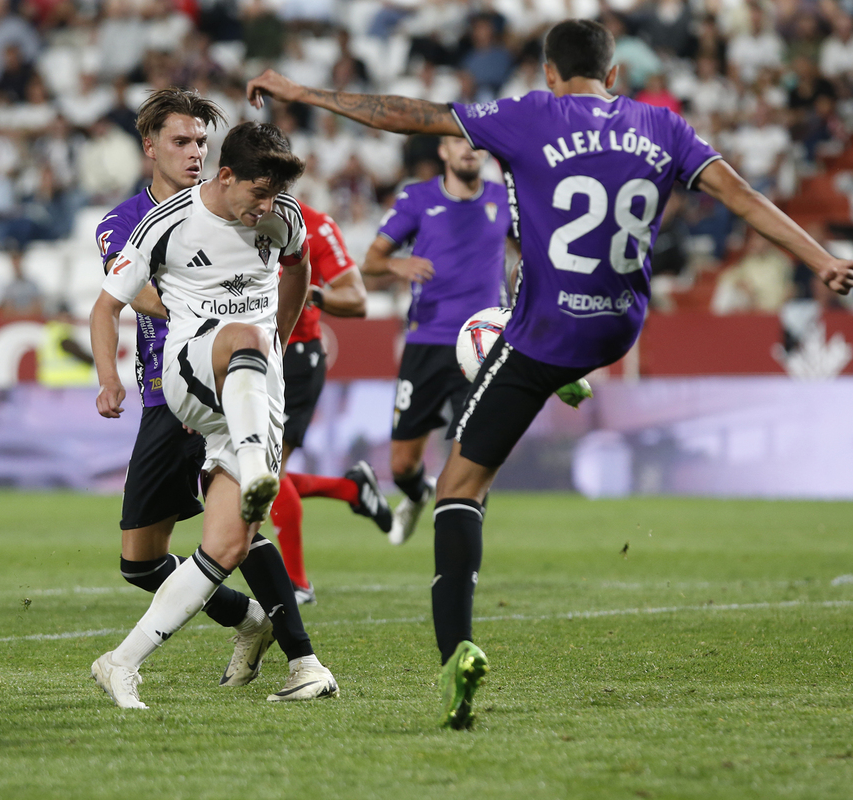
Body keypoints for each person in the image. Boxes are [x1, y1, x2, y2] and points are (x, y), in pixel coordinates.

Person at [246, 18, 853, 729]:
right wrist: (822, 261)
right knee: (516, 301)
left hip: (548, 332)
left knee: (457, 487)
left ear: (548, 74)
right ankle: (561, 369)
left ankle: (456, 658)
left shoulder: (531, 115)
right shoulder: (663, 125)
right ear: (615, 75)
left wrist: (300, 93)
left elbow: (407, 115)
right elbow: (742, 195)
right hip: (619, 326)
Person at [90, 121, 339, 709]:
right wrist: (109, 378)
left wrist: (277, 335)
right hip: (187, 369)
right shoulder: (165, 224)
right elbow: (106, 305)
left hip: (255, 390)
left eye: (275, 195)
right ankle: (257, 471)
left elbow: (299, 266)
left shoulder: (284, 217)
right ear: (226, 178)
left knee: (227, 546)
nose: (267, 208)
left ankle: (121, 662)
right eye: (258, 193)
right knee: (238, 335)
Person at [361, 136, 510, 546]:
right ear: (442, 151)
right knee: (402, 463)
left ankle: (462, 550)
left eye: (475, 143)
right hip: (426, 340)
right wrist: (396, 263)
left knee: (475, 456)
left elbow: (528, 253)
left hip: (483, 348)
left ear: (484, 151)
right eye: (457, 142)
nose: (468, 149)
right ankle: (418, 492)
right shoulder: (417, 198)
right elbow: (370, 263)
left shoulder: (503, 198)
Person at [271, 200, 391, 604]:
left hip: (296, 357)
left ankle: (298, 583)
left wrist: (308, 291)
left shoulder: (315, 226)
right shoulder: (227, 218)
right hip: (248, 354)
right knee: (242, 471)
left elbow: (356, 300)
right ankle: (350, 490)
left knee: (268, 471)